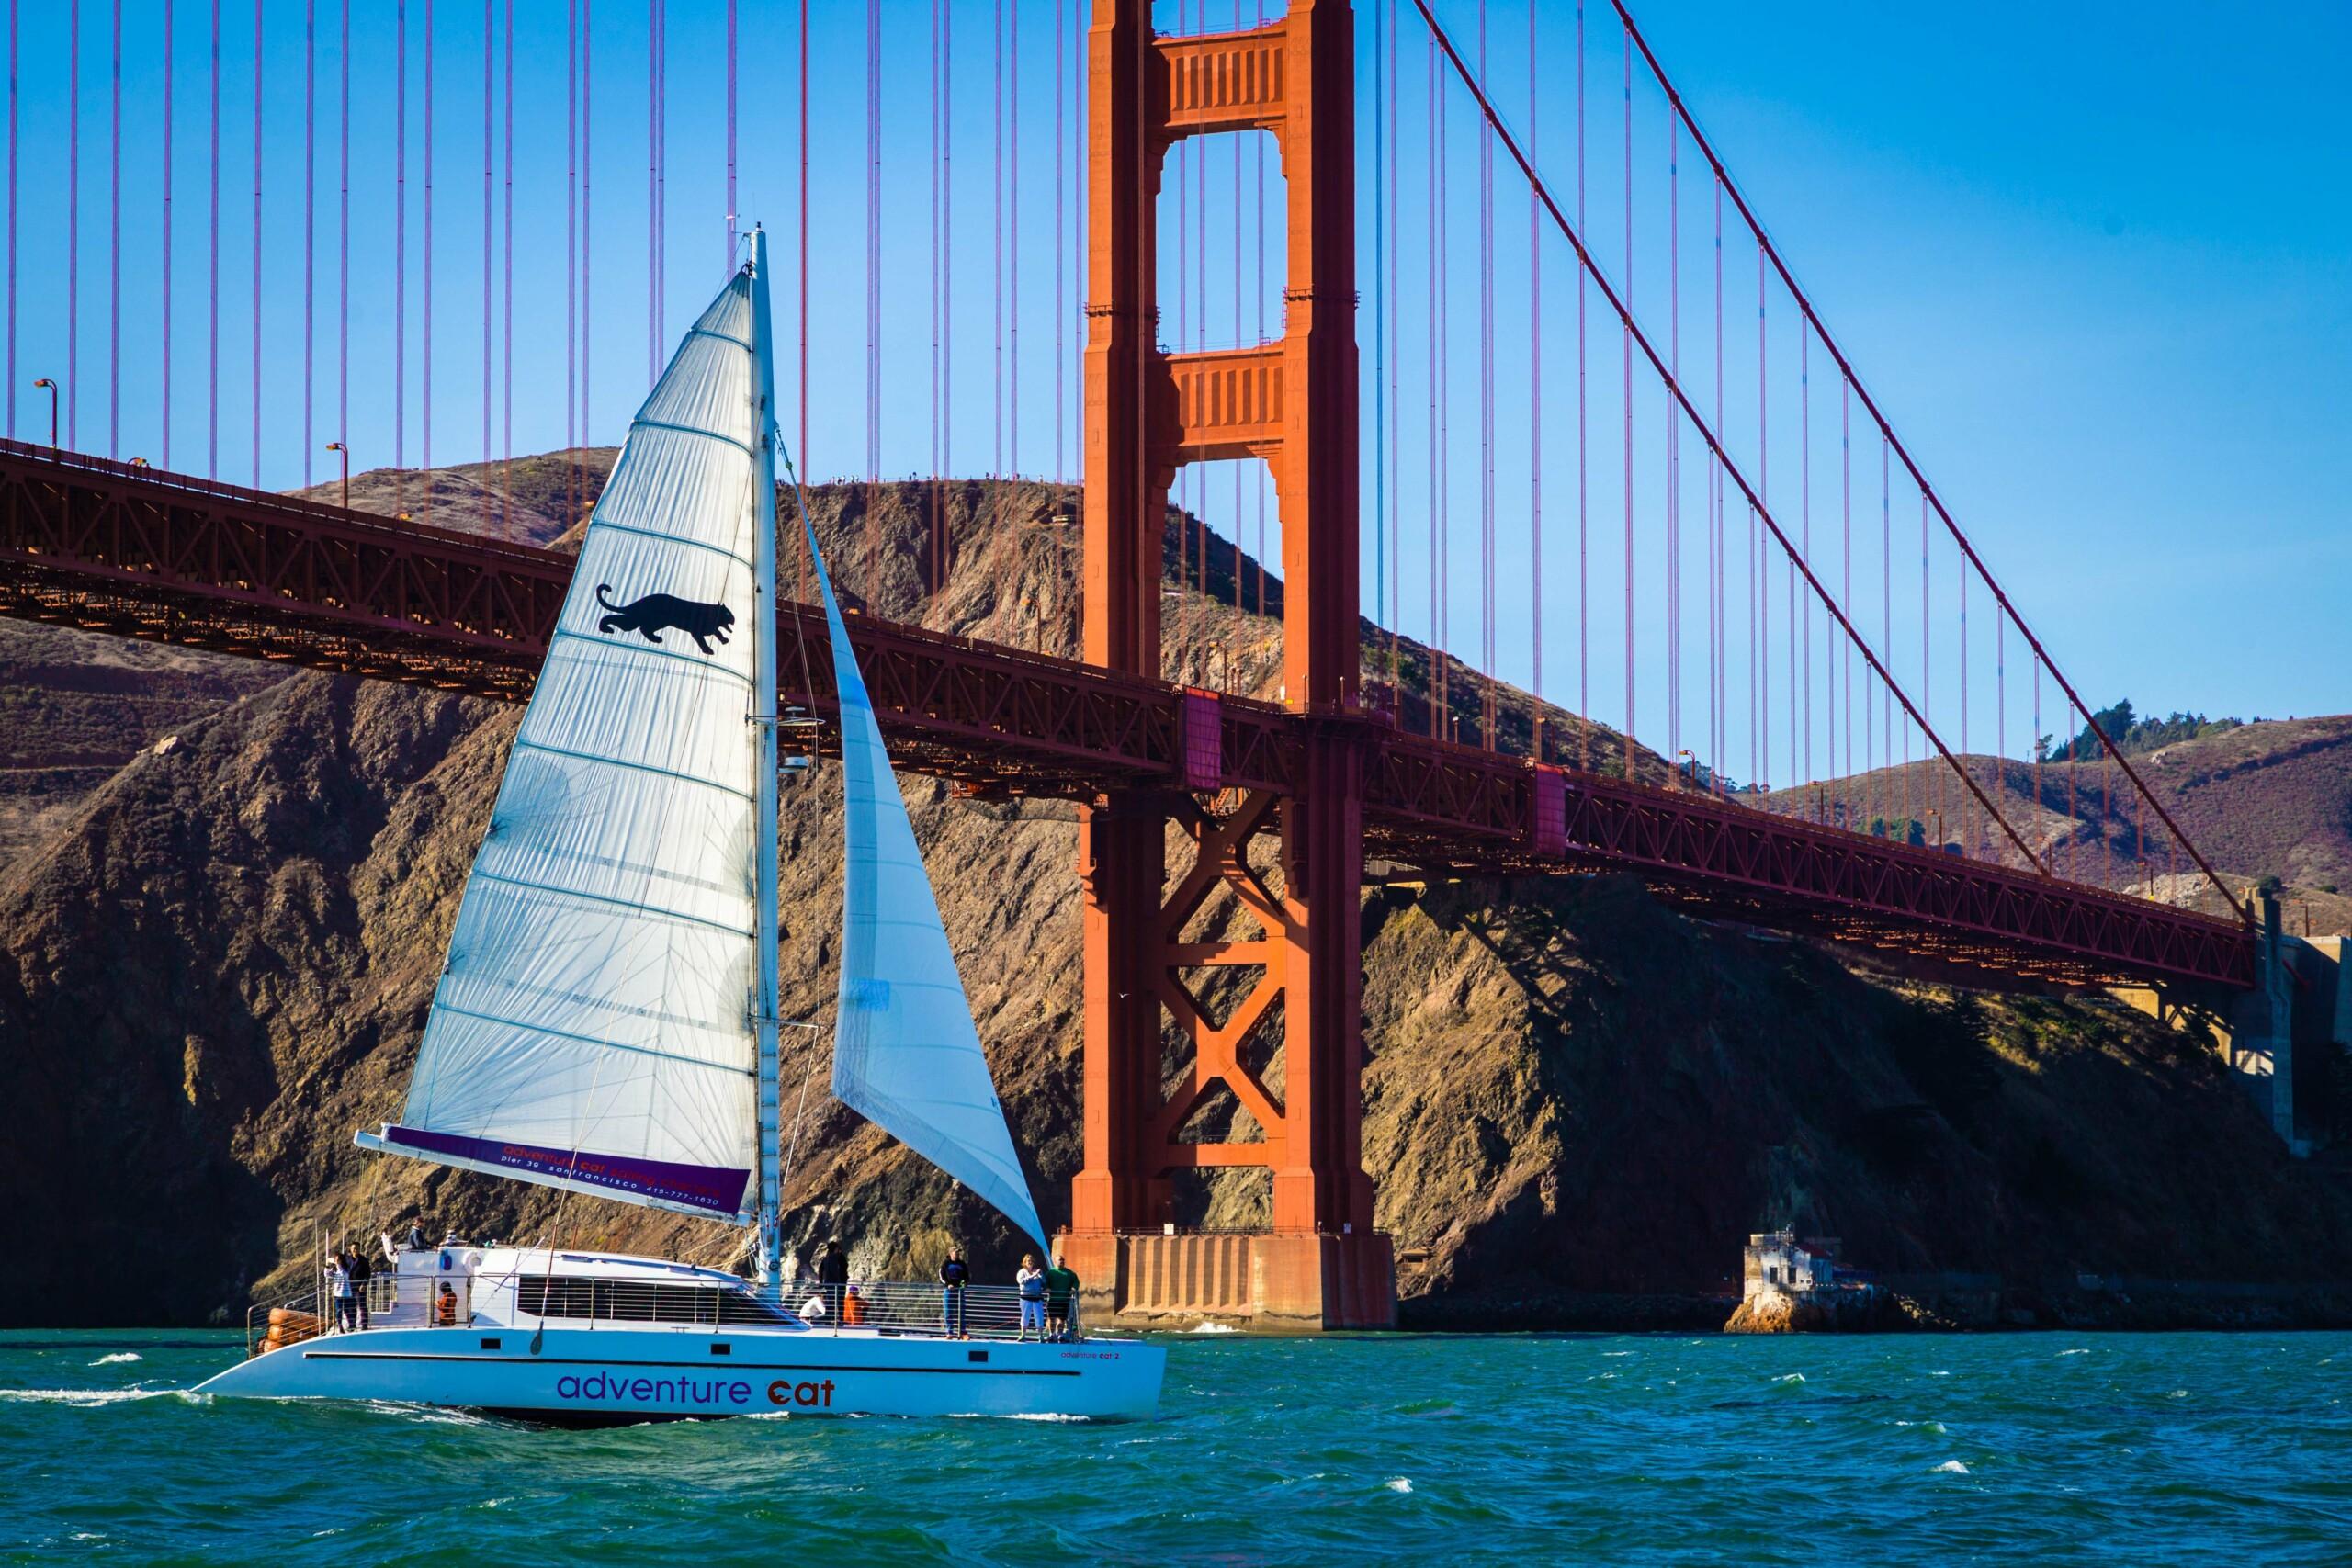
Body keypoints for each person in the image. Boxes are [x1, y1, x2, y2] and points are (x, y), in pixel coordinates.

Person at [1045, 1257, 1080, 1341]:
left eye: (1063, 1260)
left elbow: (1076, 1282)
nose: (1062, 1261)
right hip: (1053, 1300)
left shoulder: (1069, 1273)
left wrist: (1073, 1289)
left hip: (1064, 1301)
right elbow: (1044, 1282)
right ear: (1055, 1261)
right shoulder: (1051, 1272)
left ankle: (1060, 1335)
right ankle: (1052, 1334)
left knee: (1062, 1319)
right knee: (1052, 1319)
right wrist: (1046, 1288)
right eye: (1060, 1260)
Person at [939, 1247, 970, 1338]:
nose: (957, 1254)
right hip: (949, 1291)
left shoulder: (962, 1264)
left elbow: (966, 1276)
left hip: (960, 1291)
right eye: (955, 1252)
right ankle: (950, 1332)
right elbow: (941, 1276)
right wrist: (948, 1284)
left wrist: (963, 1284)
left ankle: (963, 1333)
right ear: (951, 1253)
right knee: (948, 1312)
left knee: (961, 1312)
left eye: (958, 1252)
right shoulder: (946, 1263)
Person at [1015, 1253, 1047, 1340]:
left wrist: (1040, 1276)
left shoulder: (1038, 1271)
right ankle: (1023, 1335)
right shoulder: (1021, 1272)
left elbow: (1044, 1283)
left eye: (1032, 1261)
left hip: (1037, 1298)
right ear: (1024, 1262)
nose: (1030, 1262)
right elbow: (1021, 1281)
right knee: (1025, 1316)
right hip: (1025, 1298)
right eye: (1028, 1261)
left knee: (1039, 1316)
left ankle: (1040, 1336)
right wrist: (1033, 1275)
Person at [817, 1240, 851, 1321]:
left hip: (828, 1284)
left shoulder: (826, 1258)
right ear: (836, 1249)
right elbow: (841, 1267)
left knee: (830, 1303)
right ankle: (841, 1320)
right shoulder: (838, 1257)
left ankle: (829, 1321)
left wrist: (821, 1282)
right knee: (840, 1302)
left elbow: (820, 1269)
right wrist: (838, 1280)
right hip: (838, 1284)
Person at [345, 1244, 375, 1331]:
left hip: (359, 1287)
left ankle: (364, 1325)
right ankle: (351, 1325)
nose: (355, 1250)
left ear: (359, 1249)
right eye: (354, 1248)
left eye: (357, 1248)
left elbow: (367, 1274)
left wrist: (364, 1284)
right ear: (350, 1249)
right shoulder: (347, 1260)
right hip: (349, 1287)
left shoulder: (364, 1260)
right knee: (351, 1307)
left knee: (362, 1307)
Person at [327, 1247, 356, 1334]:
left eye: (338, 1259)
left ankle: (351, 1325)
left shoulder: (346, 1269)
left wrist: (337, 1265)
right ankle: (340, 1326)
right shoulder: (335, 1269)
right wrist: (327, 1266)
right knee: (339, 1311)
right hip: (338, 1294)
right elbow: (327, 1275)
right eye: (335, 1259)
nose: (336, 1261)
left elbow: (345, 1275)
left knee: (348, 1310)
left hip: (347, 1293)